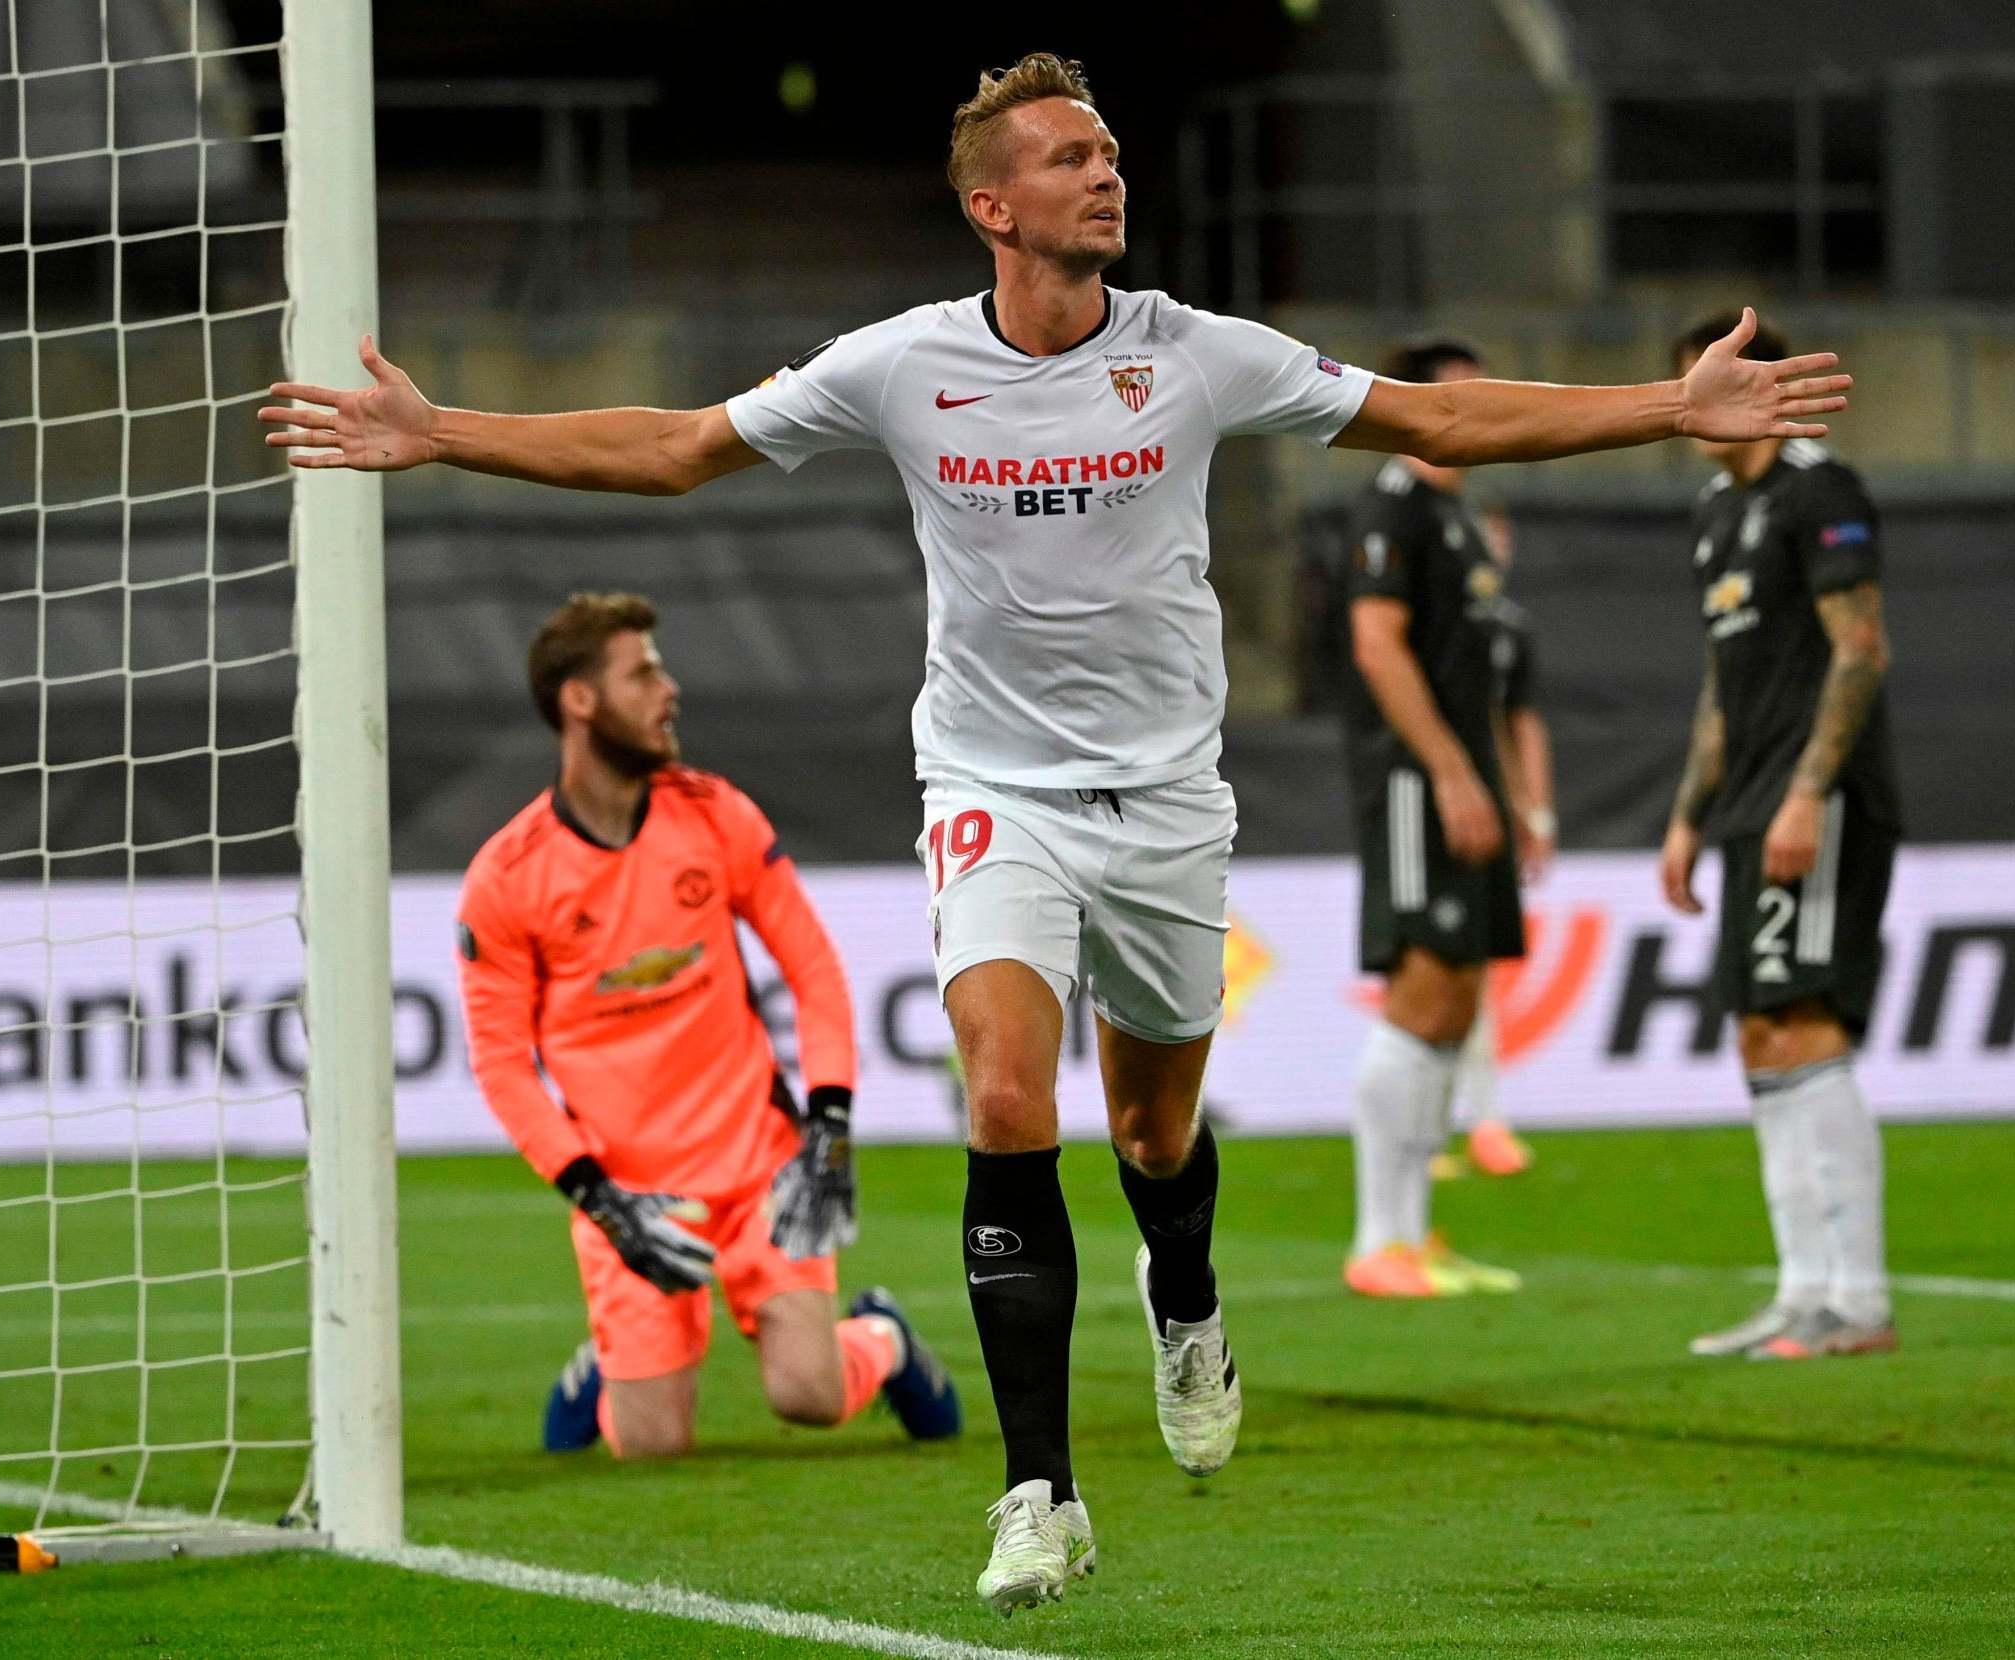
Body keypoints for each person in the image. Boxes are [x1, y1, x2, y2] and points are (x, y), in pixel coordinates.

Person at [260, 52, 1849, 1615]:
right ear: (990, 205)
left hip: (1164, 800)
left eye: (1110, 152)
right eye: (1072, 157)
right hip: (989, 793)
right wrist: (444, 431)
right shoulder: (900, 365)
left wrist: (1668, 405)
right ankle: (1040, 1495)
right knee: (1007, 1101)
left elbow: (1441, 413)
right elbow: (679, 448)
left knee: (1155, 1134)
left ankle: (1188, 1301)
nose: (1109, 173)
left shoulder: (1197, 353)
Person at [454, 592, 963, 1461]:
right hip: (631, 1193)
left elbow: (813, 968)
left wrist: (829, 1123)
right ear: (580, 701)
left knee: (805, 1394)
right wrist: (600, 1202)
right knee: (651, 1446)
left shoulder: (714, 813)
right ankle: (606, 1372)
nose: (669, 689)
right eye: (642, 672)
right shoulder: (507, 878)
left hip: (756, 1168)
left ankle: (881, 1339)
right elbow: (502, 1066)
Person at [1659, 312, 1899, 1362]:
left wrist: (1807, 793)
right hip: (1749, 800)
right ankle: (1803, 1290)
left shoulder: (1817, 490)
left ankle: (1856, 1300)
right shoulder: (1717, 512)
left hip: (1820, 796)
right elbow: (1723, 682)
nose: (1685, 404)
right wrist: (1686, 815)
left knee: (1801, 1021)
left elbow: (1859, 650)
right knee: (1759, 1029)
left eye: (1702, 379)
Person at [1338, 339, 1528, 1298]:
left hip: (1464, 781)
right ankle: (1378, 1240)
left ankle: (1413, 1233)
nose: (1469, 418)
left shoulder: (1457, 516)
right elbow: (1377, 647)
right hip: (1416, 782)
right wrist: (1451, 774)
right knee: (1421, 987)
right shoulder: (1391, 507)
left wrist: (1507, 794)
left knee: (1455, 996)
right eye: (1454, 401)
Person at [1432, 499, 1555, 1184]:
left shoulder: (1508, 630)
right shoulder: (1434, 625)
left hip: (1490, 813)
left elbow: (1520, 723)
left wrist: (1535, 813)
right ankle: (1432, 1127)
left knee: (1474, 973)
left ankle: (1482, 1119)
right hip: (1436, 808)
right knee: (1436, 975)